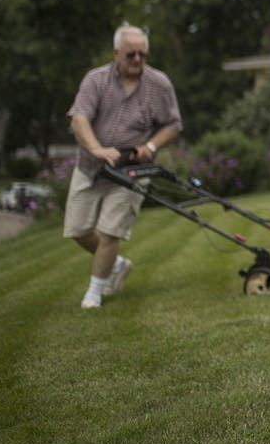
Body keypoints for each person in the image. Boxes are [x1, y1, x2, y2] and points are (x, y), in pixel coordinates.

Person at [65, 23, 182, 309]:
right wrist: (96, 149)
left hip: (132, 171)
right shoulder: (95, 81)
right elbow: (78, 118)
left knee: (110, 232)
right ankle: (115, 264)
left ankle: (94, 292)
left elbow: (173, 124)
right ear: (116, 53)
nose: (138, 61)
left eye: (143, 54)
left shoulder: (159, 84)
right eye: (131, 55)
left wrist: (151, 146)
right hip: (92, 167)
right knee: (78, 230)